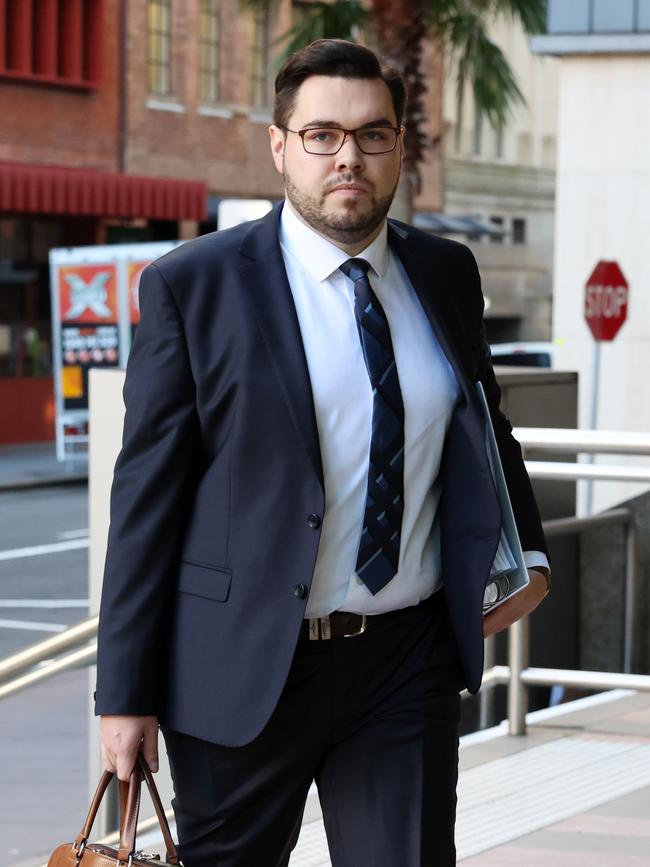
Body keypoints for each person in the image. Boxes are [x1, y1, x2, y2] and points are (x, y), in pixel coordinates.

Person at [96, 38, 550, 867]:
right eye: (323, 135)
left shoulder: (446, 273)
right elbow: (146, 501)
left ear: (400, 148)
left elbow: (484, 423)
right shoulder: (194, 286)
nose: (350, 156)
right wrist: (123, 693)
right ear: (281, 147)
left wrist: (530, 557)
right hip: (240, 666)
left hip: (403, 662)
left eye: (374, 135)